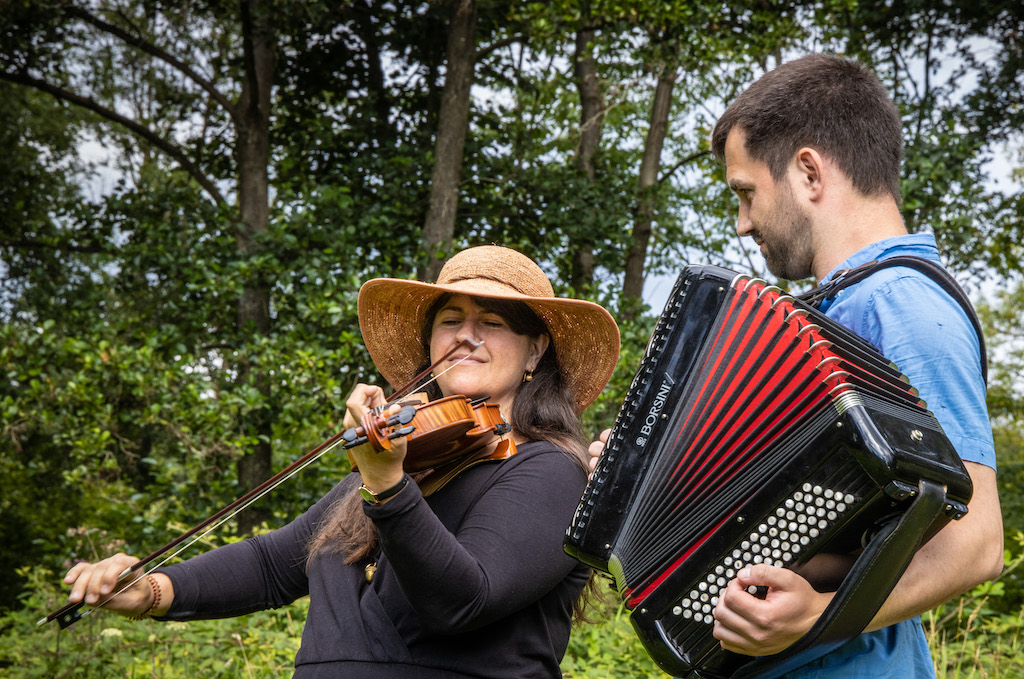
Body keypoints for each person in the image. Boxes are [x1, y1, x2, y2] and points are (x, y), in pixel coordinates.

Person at [62, 245, 621, 678]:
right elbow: (274, 563)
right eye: (450, 319)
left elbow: (463, 601)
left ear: (536, 350)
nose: (465, 336)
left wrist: (387, 484)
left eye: (492, 322)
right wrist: (150, 592)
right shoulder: (412, 457)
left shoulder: (551, 469)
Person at [709, 54, 1003, 676]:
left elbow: (974, 545)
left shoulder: (898, 304)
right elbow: (838, 528)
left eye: (746, 193)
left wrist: (818, 614)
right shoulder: (833, 313)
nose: (743, 224)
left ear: (809, 172)